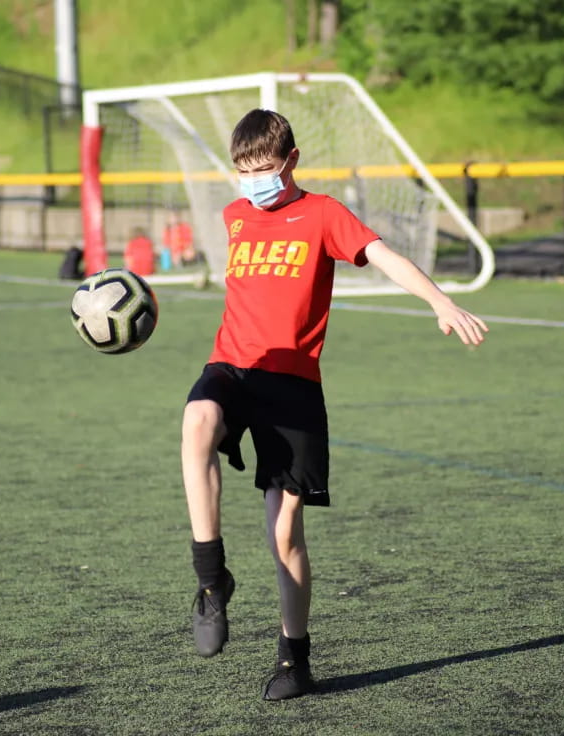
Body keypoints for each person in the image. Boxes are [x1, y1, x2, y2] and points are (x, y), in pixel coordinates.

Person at [180, 109, 488, 702]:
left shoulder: (323, 214)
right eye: (243, 170)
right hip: (234, 367)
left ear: (291, 161)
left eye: (264, 168)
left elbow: (385, 256)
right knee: (196, 422)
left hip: (292, 385)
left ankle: (295, 659)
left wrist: (440, 302)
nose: (253, 181)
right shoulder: (235, 215)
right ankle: (212, 580)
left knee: (285, 533)